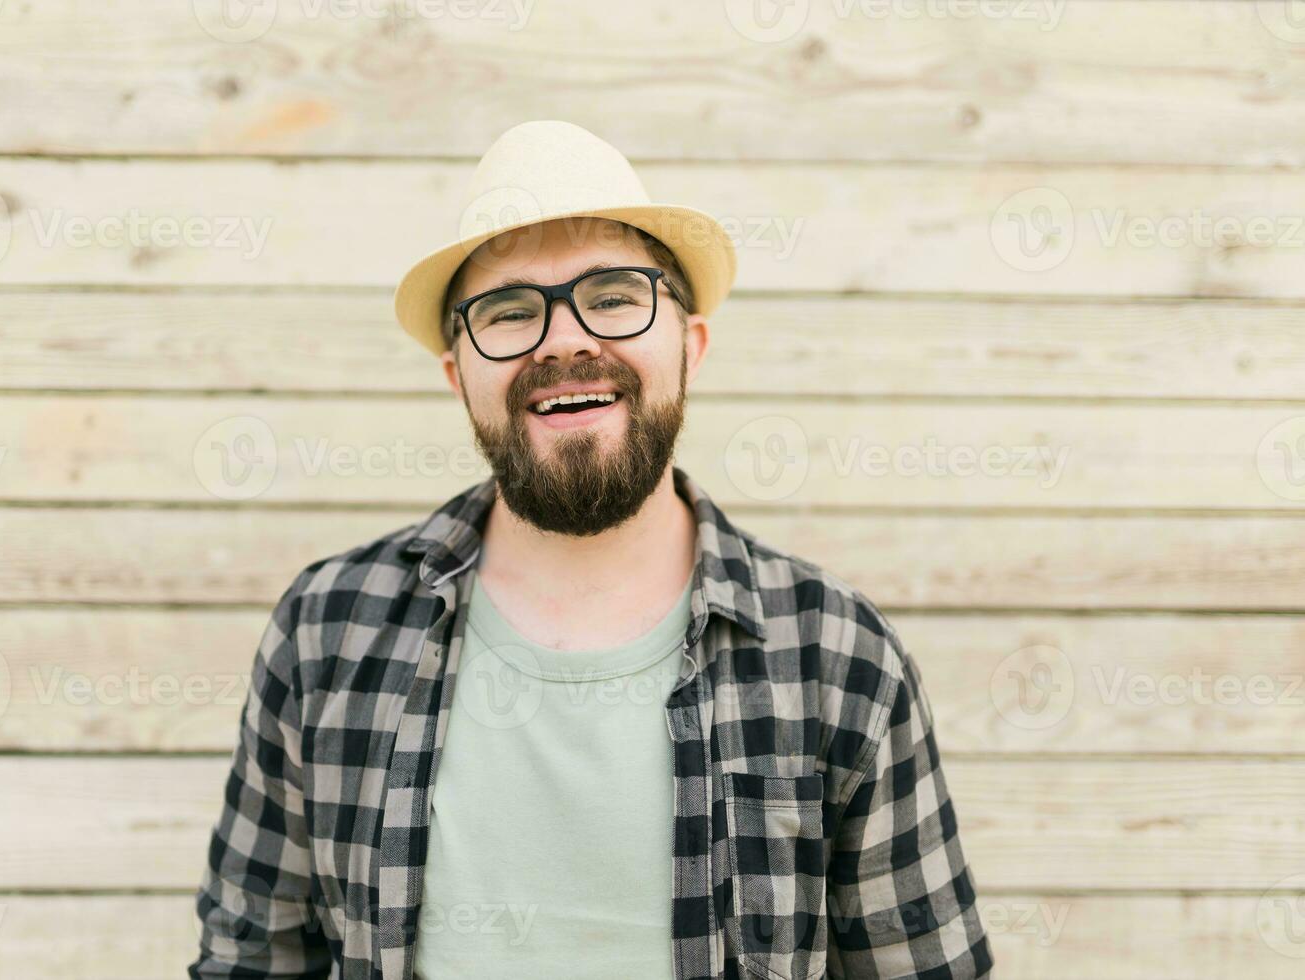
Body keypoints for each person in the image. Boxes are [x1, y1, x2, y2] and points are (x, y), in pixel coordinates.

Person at [189, 119, 992, 979]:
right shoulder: (326, 633)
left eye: (613, 296)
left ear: (690, 346)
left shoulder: (837, 656)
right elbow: (253, 961)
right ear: (460, 376)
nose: (565, 341)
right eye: (508, 311)